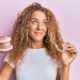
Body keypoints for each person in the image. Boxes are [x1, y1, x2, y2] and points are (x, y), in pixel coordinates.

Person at [0, 2, 77, 80]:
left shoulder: (56, 51)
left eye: (44, 23)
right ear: (25, 25)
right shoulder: (15, 52)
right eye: (35, 22)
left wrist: (66, 66)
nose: (40, 27)